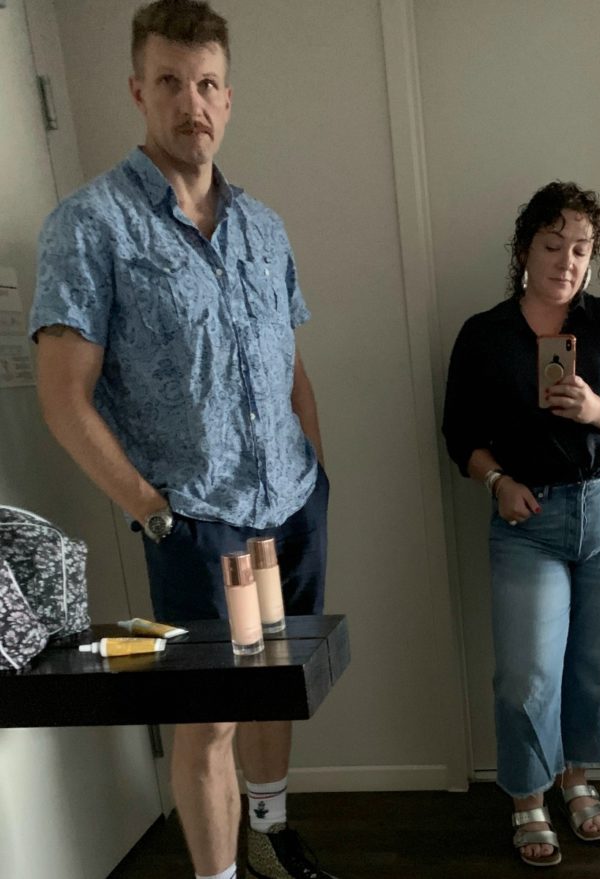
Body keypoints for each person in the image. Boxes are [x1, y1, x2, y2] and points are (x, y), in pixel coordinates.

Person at [29, 2, 338, 878]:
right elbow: (64, 399)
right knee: (207, 715)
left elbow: (292, 368)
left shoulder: (264, 228)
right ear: (138, 91)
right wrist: (157, 514)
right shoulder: (91, 228)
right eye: (169, 82)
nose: (189, 102)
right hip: (196, 524)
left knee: (277, 684)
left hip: (292, 509)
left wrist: (317, 476)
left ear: (228, 99)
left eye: (206, 84)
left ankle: (272, 837)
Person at [442, 181, 600, 868]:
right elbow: (459, 434)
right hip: (528, 519)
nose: (567, 261)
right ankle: (526, 795)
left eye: (581, 249)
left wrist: (598, 408)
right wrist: (496, 480)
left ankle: (577, 775)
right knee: (526, 672)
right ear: (524, 249)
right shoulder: (484, 334)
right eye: (553, 245)